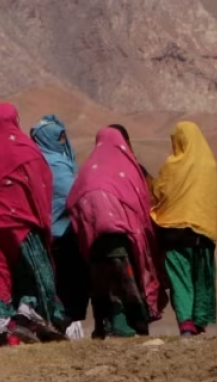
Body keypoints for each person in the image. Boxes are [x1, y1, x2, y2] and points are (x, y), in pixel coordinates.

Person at [0, 103, 67, 347]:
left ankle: (2, 329)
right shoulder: (26, 151)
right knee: (32, 272)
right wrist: (41, 222)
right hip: (23, 226)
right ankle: (27, 314)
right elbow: (42, 188)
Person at [67, 126, 165, 339]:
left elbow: (73, 200)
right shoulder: (128, 167)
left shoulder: (89, 168)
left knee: (101, 280)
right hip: (121, 233)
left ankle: (105, 325)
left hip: (92, 237)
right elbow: (141, 202)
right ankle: (127, 323)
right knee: (123, 279)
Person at [150, 121, 217, 337]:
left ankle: (186, 324)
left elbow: (159, 192)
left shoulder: (172, 165)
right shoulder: (210, 165)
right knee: (202, 277)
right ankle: (199, 321)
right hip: (203, 231)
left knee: (180, 279)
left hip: (174, 231)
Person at [30, 115, 88, 340]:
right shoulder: (53, 164)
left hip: (44, 235)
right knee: (67, 284)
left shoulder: (39, 160)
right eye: (58, 137)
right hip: (60, 236)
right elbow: (71, 194)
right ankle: (64, 326)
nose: (63, 141)